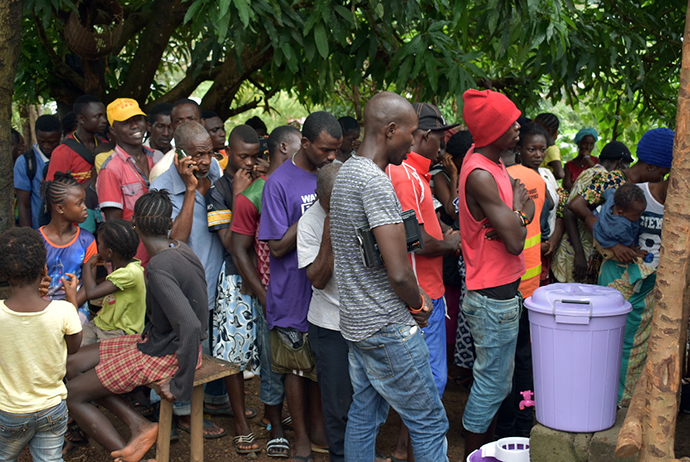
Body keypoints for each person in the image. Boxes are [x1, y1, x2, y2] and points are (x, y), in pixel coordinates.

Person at [330, 91, 448, 462]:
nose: (413, 143)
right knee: (429, 422)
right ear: (390, 130)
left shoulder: (347, 171)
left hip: (356, 323)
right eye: (410, 134)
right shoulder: (376, 183)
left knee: (364, 414)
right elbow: (398, 272)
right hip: (386, 325)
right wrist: (420, 304)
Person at [65, 190, 208, 462]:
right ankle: (139, 425)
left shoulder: (158, 268)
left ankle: (135, 457)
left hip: (168, 354)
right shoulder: (181, 248)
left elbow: (190, 326)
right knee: (71, 363)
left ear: (135, 224)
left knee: (72, 395)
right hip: (156, 341)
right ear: (169, 223)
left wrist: (181, 384)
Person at [259, 111, 340, 461]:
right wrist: (316, 212)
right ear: (305, 143)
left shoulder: (335, 172)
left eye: (336, 150)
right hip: (292, 290)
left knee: (322, 365)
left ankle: (321, 430)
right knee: (293, 366)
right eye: (325, 150)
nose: (332, 157)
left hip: (326, 291)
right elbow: (275, 246)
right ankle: (302, 439)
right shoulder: (279, 182)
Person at [457, 89, 533, 458]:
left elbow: (526, 211)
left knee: (496, 386)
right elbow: (517, 241)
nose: (518, 127)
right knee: (490, 388)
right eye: (509, 123)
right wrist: (516, 215)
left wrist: (516, 214)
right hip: (491, 299)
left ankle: (484, 452)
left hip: (502, 295)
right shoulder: (480, 174)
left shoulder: (496, 164)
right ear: (491, 132)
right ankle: (476, 454)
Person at [385, 101, 461, 462]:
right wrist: (451, 242)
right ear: (424, 136)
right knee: (428, 385)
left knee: (426, 382)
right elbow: (411, 240)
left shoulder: (419, 175)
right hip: (421, 294)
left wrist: (444, 230)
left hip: (428, 290)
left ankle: (405, 449)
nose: (443, 147)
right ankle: (409, 452)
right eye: (440, 138)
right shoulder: (403, 175)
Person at [150, 120, 228, 437]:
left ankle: (212, 399)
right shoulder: (161, 188)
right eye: (198, 155)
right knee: (185, 346)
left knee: (208, 344)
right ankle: (182, 411)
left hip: (211, 276)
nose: (206, 161)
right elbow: (174, 242)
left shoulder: (215, 174)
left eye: (210, 153)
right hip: (182, 284)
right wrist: (192, 190)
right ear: (180, 153)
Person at [230, 124, 301, 458]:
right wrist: (262, 294)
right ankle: (273, 420)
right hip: (273, 292)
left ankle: (298, 419)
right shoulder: (253, 195)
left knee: (300, 363)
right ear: (285, 148)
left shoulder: (304, 185)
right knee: (274, 362)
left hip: (304, 289)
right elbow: (239, 249)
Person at [299, 162, 371, 462]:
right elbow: (316, 278)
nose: (343, 205)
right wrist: (329, 234)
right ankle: (341, 456)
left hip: (366, 321)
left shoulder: (363, 208)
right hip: (330, 326)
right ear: (319, 196)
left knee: (367, 398)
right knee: (338, 404)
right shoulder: (310, 223)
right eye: (335, 202)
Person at [0, 227, 82, 462]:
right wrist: (72, 300)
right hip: (52, 409)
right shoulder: (63, 311)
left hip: (10, 411)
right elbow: (74, 347)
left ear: (3, 273)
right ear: (44, 269)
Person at [205, 125, 261, 454]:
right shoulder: (219, 190)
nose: (250, 163)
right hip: (235, 279)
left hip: (267, 274)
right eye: (243, 156)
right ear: (228, 151)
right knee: (233, 354)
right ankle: (240, 421)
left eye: (256, 156)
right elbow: (229, 242)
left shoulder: (265, 182)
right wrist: (241, 197)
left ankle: (273, 415)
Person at [495, 123, 547, 439]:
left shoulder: (506, 178)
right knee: (524, 357)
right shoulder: (537, 179)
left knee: (502, 361)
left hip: (508, 280)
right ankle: (525, 422)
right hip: (532, 280)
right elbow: (550, 209)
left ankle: (503, 428)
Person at [551, 140, 634, 283]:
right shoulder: (595, 175)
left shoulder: (604, 177)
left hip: (588, 252)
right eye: (627, 166)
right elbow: (569, 210)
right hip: (576, 251)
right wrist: (579, 254)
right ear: (620, 163)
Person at [98, 98, 164, 267]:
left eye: (138, 120)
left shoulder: (158, 157)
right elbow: (114, 227)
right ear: (113, 129)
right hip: (134, 259)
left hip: (162, 250)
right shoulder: (111, 169)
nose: (135, 126)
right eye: (126, 123)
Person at [39, 172, 98, 324]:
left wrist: (66, 309)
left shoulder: (87, 241)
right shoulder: (36, 241)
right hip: (41, 308)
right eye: (79, 203)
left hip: (75, 308)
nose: (85, 208)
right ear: (60, 208)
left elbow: (88, 286)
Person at [46, 95, 108, 233]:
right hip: (75, 226)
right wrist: (92, 180)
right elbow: (54, 194)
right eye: (98, 116)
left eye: (104, 116)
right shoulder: (63, 152)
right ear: (81, 119)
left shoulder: (105, 147)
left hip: (104, 219)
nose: (104, 121)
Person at [80, 219, 146, 345]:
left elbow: (92, 293)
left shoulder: (129, 273)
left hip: (118, 332)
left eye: (99, 244)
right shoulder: (125, 266)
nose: (98, 247)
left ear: (109, 252)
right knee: (71, 349)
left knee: (93, 362)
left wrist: (88, 264)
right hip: (102, 323)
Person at [15, 114, 62, 229]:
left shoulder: (67, 157)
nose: (46, 146)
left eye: (52, 142)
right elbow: (23, 204)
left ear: (60, 136)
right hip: (39, 229)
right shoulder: (25, 162)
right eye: (42, 141)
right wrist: (29, 236)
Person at [149, 98, 205, 182]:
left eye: (191, 119)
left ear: (202, 123)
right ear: (172, 127)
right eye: (179, 121)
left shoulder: (212, 162)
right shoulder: (162, 169)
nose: (186, 125)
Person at [592, 183, 647, 259]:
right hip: (607, 243)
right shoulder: (622, 227)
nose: (640, 216)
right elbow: (628, 244)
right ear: (620, 213)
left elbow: (608, 192)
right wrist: (634, 251)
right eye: (636, 215)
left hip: (598, 230)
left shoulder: (612, 199)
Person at [533, 112, 565, 180]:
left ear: (548, 130)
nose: (534, 130)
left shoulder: (552, 149)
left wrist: (544, 179)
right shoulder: (545, 148)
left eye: (537, 127)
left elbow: (560, 173)